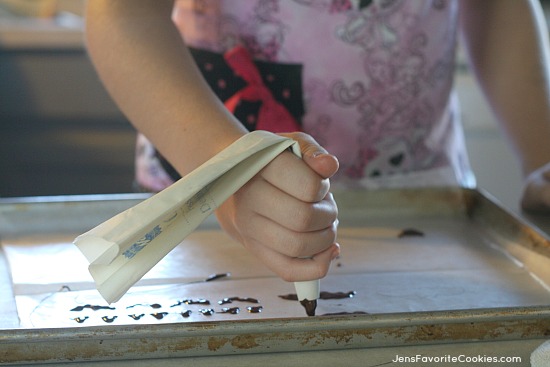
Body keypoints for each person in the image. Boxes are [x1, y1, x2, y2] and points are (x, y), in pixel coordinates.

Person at [84, 0, 550, 284]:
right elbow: (125, 13)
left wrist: (542, 156)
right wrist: (226, 173)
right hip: (202, 196)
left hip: (427, 201)